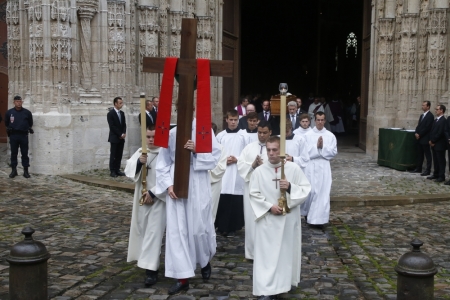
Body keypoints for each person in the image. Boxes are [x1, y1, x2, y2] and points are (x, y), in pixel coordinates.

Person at [155, 119, 220, 295]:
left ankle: (204, 260)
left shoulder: (204, 131)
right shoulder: (172, 133)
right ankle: (182, 278)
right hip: (177, 184)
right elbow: (162, 163)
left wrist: (197, 150)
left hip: (198, 183)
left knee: (198, 229)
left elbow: (215, 158)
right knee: (178, 231)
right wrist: (168, 185)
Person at [249, 136, 311, 300]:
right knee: (266, 257)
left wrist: (290, 187)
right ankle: (265, 290)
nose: (271, 153)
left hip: (287, 220)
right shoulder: (259, 171)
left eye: (275, 150)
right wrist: (269, 207)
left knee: (284, 254)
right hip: (267, 221)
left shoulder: (293, 169)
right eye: (268, 150)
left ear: (281, 150)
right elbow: (253, 194)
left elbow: (305, 190)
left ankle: (282, 285)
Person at [124, 125, 165, 287]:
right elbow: (128, 169)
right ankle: (143, 260)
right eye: (148, 137)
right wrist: (139, 163)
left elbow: (169, 177)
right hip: (141, 199)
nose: (151, 140)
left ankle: (151, 270)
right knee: (141, 230)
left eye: (154, 136)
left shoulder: (165, 153)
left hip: (158, 200)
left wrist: (153, 193)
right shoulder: (141, 151)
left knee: (153, 233)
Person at [237, 120, 272, 260]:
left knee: (266, 220)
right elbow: (241, 165)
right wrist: (252, 165)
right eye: (259, 132)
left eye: (264, 133)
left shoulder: (275, 149)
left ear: (270, 132)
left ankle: (266, 251)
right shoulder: (249, 148)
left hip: (267, 189)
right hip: (251, 188)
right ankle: (251, 252)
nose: (261, 135)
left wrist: (264, 167)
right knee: (251, 219)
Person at [302, 111, 337, 227]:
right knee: (311, 192)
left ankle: (319, 219)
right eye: (318, 120)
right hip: (311, 166)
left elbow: (333, 152)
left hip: (324, 166)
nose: (320, 122)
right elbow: (304, 152)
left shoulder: (330, 136)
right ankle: (308, 214)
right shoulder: (307, 136)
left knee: (322, 192)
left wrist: (323, 147)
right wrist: (316, 147)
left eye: (322, 120)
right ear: (314, 120)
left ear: (325, 121)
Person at [215, 109, 247, 237]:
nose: (233, 122)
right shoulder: (220, 136)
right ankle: (221, 225)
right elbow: (215, 153)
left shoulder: (244, 136)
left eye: (235, 120)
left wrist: (237, 159)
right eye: (231, 120)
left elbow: (247, 154)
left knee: (236, 198)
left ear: (238, 120)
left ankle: (234, 226)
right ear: (226, 120)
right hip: (224, 170)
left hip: (238, 171)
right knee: (223, 197)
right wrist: (224, 160)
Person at [5, 95, 33, 178]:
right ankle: (14, 170)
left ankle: (26, 171)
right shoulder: (9, 112)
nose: (19, 103)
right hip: (14, 135)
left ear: (22, 102)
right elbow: (6, 123)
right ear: (14, 102)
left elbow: (30, 123)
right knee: (14, 153)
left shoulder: (27, 112)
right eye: (17, 101)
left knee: (24, 153)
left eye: (20, 101)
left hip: (23, 135)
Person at [409, 101, 434, 176]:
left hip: (425, 138)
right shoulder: (422, 115)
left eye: (424, 105)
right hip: (419, 138)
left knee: (427, 155)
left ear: (428, 106)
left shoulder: (430, 116)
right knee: (420, 154)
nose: (422, 106)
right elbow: (419, 125)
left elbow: (427, 127)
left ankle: (428, 170)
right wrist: (416, 133)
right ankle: (418, 168)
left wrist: (420, 134)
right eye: (422, 105)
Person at [210, 123, 228, 222]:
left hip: (213, 184)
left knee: (211, 211)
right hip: (198, 182)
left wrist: (206, 172)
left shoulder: (220, 148)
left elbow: (221, 167)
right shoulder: (197, 147)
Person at [107, 97, 127, 177]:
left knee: (119, 154)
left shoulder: (122, 113)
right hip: (114, 137)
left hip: (121, 137)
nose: (121, 104)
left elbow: (124, 124)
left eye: (122, 103)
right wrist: (120, 134)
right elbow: (112, 126)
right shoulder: (110, 114)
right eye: (120, 103)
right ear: (115, 103)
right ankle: (112, 171)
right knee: (113, 154)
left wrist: (124, 133)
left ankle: (117, 169)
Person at [427, 104, 447, 183]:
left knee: (441, 160)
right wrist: (430, 140)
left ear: (441, 110)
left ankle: (441, 176)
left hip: (439, 144)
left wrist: (433, 140)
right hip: (433, 144)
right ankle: (436, 173)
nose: (435, 110)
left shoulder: (443, 121)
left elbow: (440, 132)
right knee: (435, 160)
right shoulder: (436, 120)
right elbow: (432, 131)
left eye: (437, 109)